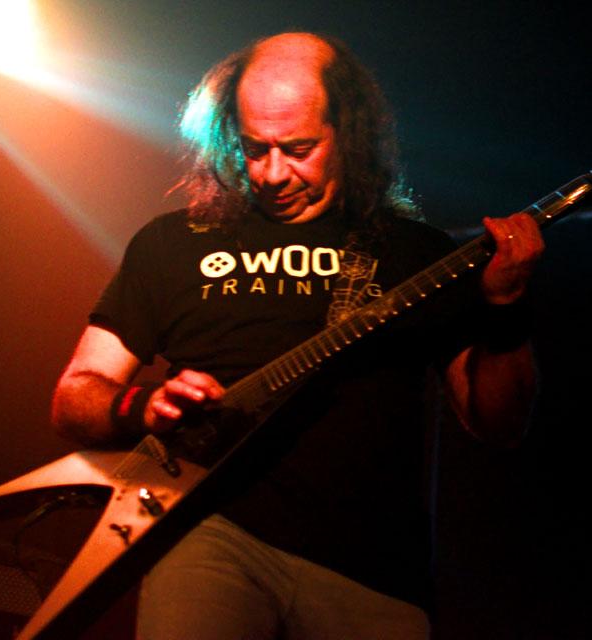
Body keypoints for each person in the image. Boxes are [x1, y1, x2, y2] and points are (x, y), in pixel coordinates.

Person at [51, 32, 543, 640]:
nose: (273, 173)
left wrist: (507, 307)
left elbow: (499, 422)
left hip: (375, 569)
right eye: (254, 149)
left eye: (299, 149)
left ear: (349, 134)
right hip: (208, 533)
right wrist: (145, 406)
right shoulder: (171, 244)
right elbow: (75, 395)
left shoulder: (417, 253)